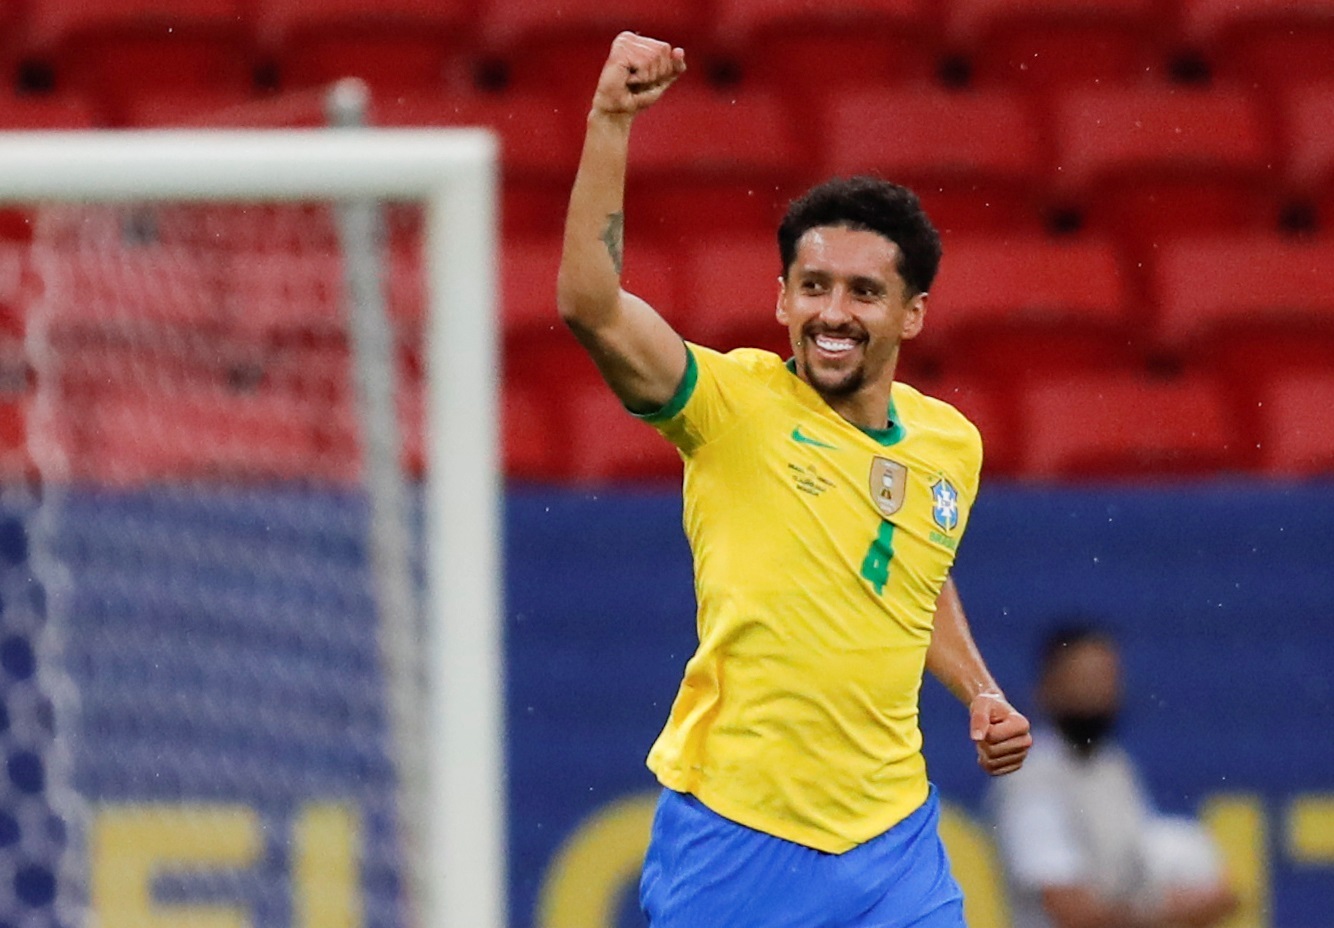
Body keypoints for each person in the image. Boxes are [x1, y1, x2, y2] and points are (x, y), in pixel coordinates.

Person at [557, 32, 1033, 928]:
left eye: (862, 292)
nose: (833, 313)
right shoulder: (729, 405)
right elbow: (590, 305)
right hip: (739, 834)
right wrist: (611, 121)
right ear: (782, 299)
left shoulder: (949, 444)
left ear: (911, 313)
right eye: (812, 287)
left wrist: (982, 691)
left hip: (894, 840)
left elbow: (908, 577)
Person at [989, 624, 1239, 928]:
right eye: (1082, 679)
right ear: (1047, 688)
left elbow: (1137, 874)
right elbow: (1072, 913)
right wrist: (1179, 912)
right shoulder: (1030, 775)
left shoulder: (1112, 765)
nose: (1095, 692)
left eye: (1104, 678)